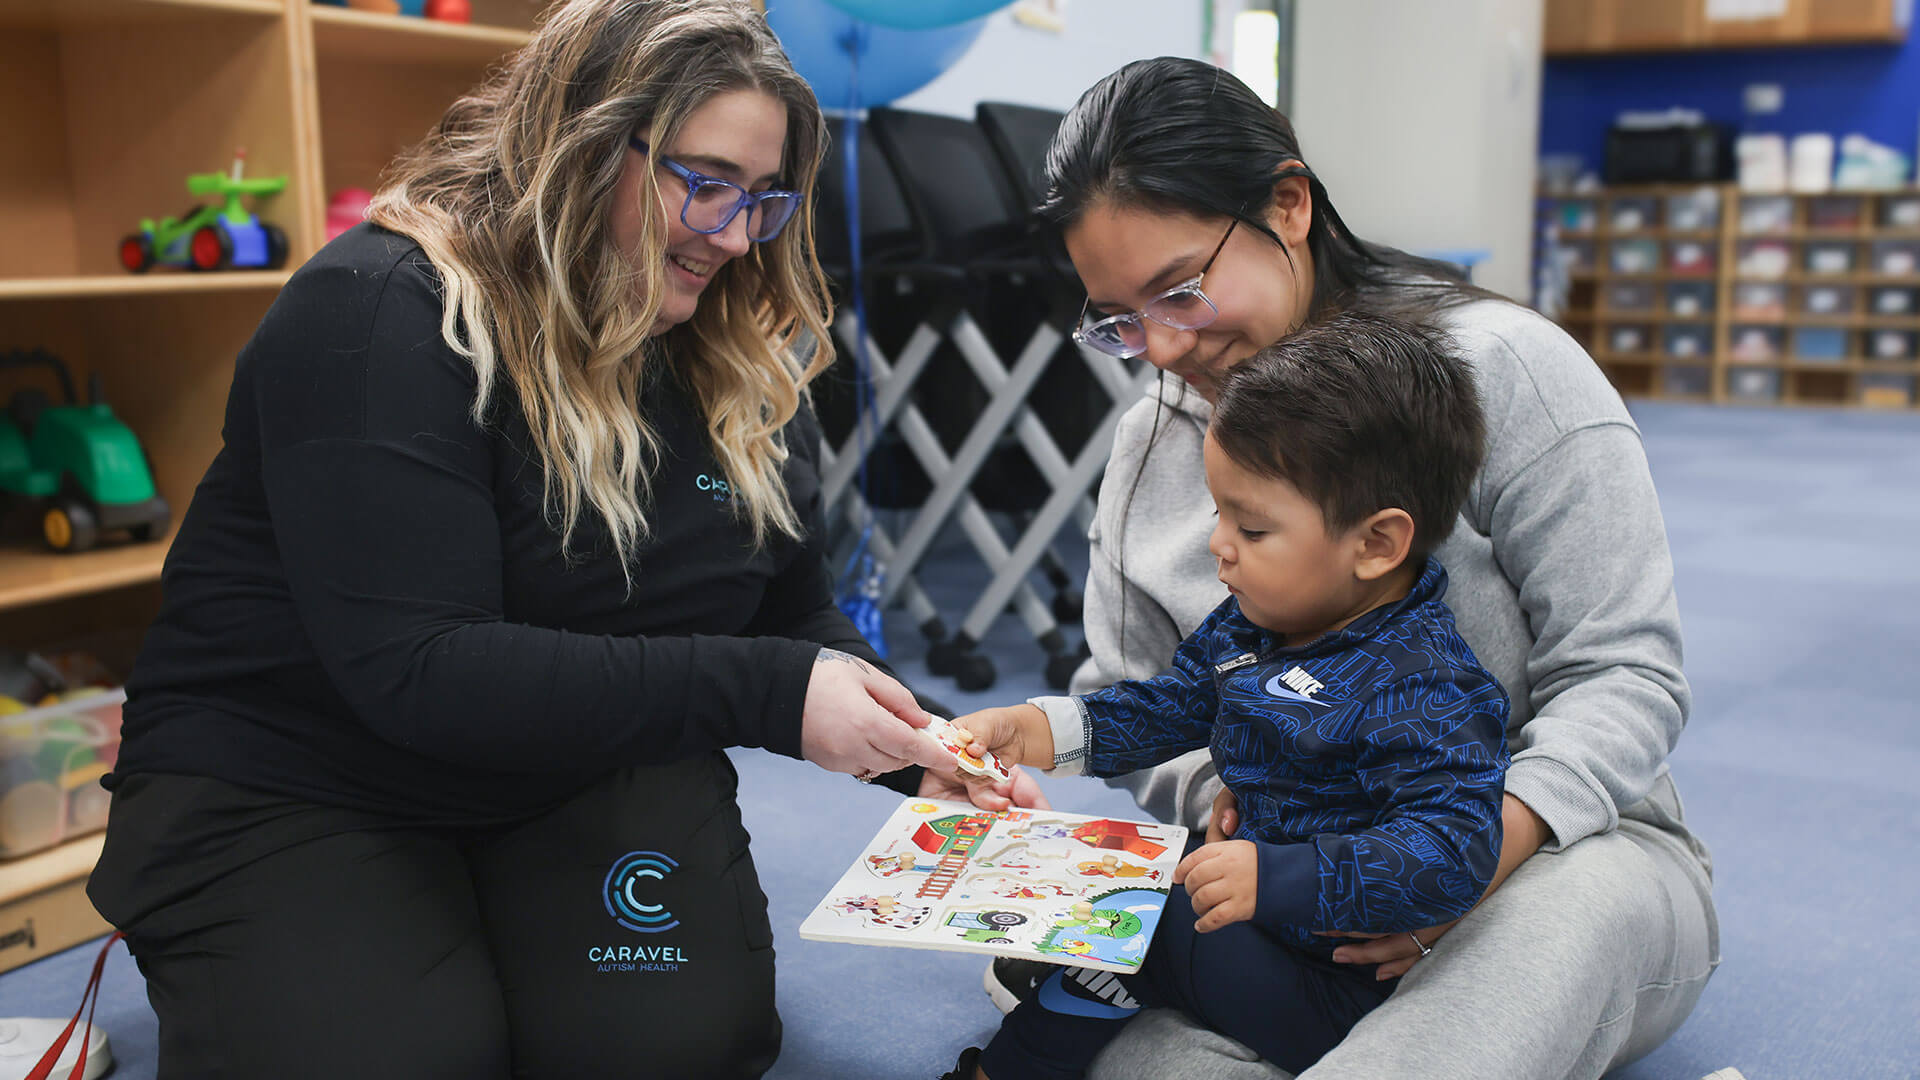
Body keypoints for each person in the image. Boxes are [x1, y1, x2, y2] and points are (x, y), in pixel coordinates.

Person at [82, 3, 1036, 1077]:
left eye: (762, 201)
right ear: (584, 141)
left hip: (568, 759)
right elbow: (423, 673)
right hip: (304, 773)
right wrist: (773, 692)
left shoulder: (737, 351)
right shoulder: (379, 310)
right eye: (705, 181)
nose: (732, 235)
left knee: (673, 1046)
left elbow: (785, 611)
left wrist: (920, 751)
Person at [980, 56, 1717, 1080]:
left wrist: (1467, 865)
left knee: (1529, 957)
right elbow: (1136, 697)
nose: (1159, 348)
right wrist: (1234, 810)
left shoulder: (1510, 370)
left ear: (1289, 206)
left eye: (1180, 291)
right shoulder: (1151, 447)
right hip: (1295, 903)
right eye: (1118, 319)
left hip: (1557, 856)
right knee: (1148, 1058)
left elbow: (1625, 671)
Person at [942, 312, 1510, 1080]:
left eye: (1253, 527)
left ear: (1376, 544)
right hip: (1250, 920)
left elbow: (1451, 852)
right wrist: (1038, 730)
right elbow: (1170, 706)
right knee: (1114, 905)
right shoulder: (1254, 622)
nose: (1218, 545)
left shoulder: (1425, 684)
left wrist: (1274, 876)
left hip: (1338, 985)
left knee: (1144, 919)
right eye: (1219, 513)